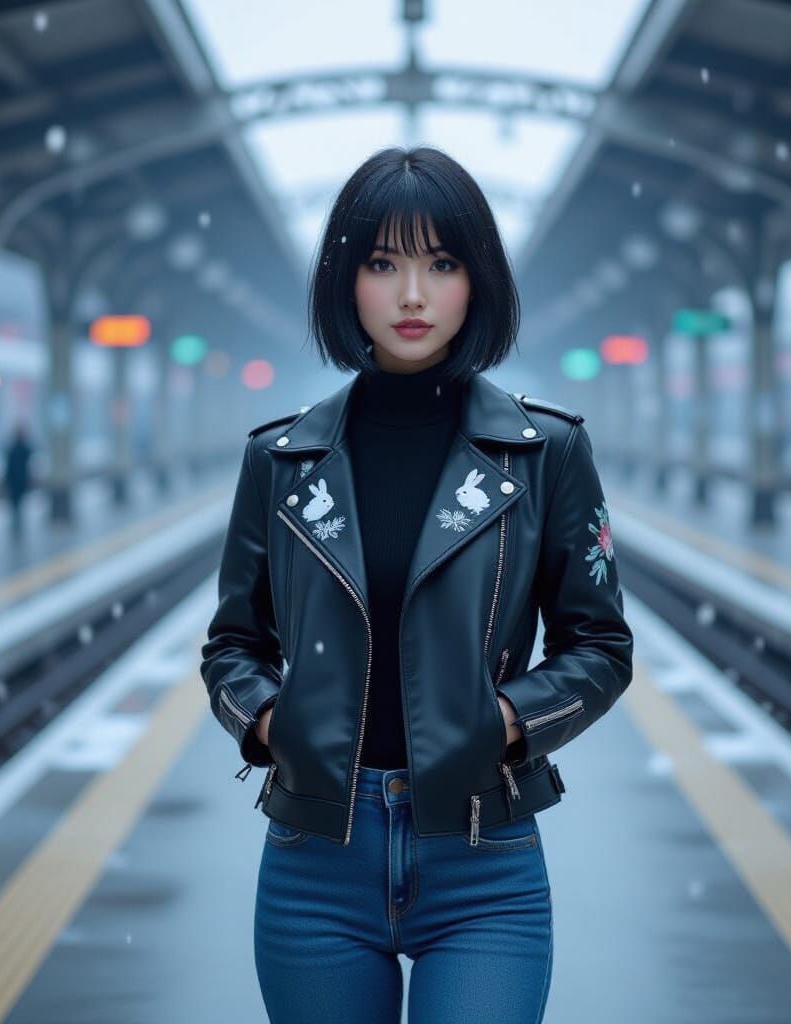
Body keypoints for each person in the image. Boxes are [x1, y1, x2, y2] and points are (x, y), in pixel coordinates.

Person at [199, 146, 634, 1023]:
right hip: (316, 858)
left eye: (441, 264)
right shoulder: (280, 462)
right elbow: (233, 645)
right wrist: (272, 722)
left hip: (485, 857)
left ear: (478, 283)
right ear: (344, 281)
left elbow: (600, 646)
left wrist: (508, 722)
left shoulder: (546, 455)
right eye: (382, 262)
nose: (411, 295)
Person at [2, 420, 33, 539]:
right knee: (18, 505)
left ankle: (16, 527)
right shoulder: (24, 449)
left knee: (15, 505)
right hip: (20, 481)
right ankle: (17, 526)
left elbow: (8, 468)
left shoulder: (12, 449)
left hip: (14, 482)